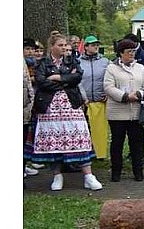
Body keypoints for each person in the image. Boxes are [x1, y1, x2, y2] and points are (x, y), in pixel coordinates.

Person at [24, 33, 102, 191]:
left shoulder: (72, 60)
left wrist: (58, 77)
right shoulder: (42, 63)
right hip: (49, 108)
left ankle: (88, 175)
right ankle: (57, 175)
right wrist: (66, 80)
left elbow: (77, 77)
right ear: (51, 47)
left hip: (71, 105)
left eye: (65, 45)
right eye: (60, 45)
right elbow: (42, 81)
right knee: (54, 140)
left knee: (80, 136)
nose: (64, 48)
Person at [104, 39, 144, 182]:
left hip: (136, 112)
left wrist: (139, 94)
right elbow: (108, 87)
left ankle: (138, 171)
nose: (131, 54)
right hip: (117, 113)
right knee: (117, 143)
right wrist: (125, 96)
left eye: (133, 51)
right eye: (128, 52)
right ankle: (116, 171)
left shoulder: (140, 68)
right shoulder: (111, 68)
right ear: (121, 53)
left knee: (137, 143)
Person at [79, 35, 110, 160]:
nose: (96, 47)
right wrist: (81, 97)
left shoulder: (105, 62)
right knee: (83, 129)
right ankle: (84, 152)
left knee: (99, 129)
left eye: (97, 44)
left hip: (100, 100)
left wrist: (107, 93)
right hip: (83, 102)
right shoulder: (78, 62)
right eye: (93, 45)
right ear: (86, 47)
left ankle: (99, 154)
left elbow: (110, 79)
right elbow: (77, 81)